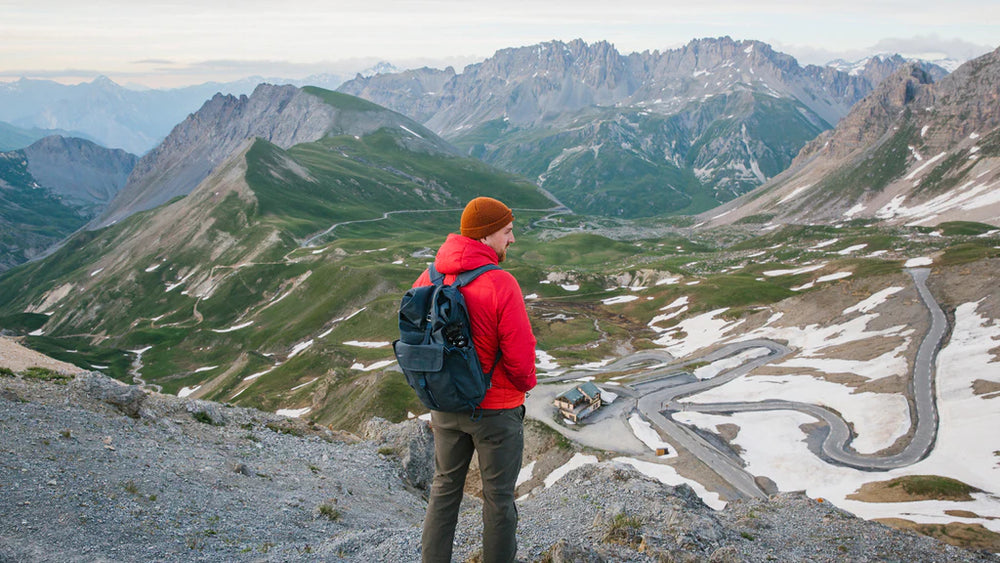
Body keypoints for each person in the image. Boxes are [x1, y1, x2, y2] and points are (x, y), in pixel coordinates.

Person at [415, 196, 537, 563]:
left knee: (444, 490)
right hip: (496, 411)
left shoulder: (431, 275)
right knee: (498, 499)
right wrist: (524, 385)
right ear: (485, 236)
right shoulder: (501, 283)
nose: (511, 240)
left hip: (446, 406)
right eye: (507, 231)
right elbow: (519, 356)